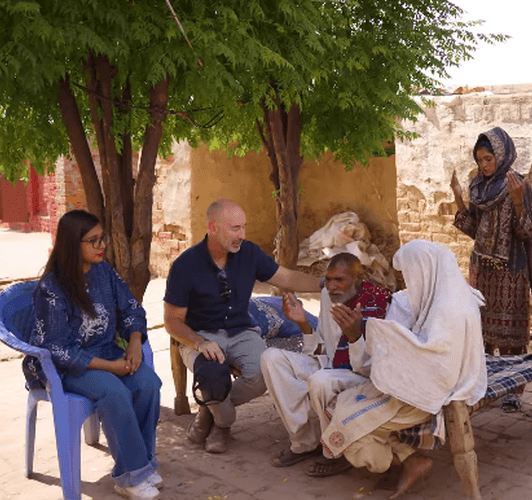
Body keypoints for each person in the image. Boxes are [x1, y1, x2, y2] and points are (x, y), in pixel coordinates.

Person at [320, 239, 487, 499]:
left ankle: (399, 462)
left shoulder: (450, 310)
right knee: (337, 405)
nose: (408, 283)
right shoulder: (444, 298)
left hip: (428, 394)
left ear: (425, 271)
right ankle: (409, 459)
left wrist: (371, 337)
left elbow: (437, 369)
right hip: (418, 386)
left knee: (346, 430)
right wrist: (369, 338)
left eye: (410, 274)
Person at [23, 210, 162, 500]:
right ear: (73, 245)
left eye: (103, 239)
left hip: (106, 351)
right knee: (114, 392)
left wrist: (135, 341)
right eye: (93, 241)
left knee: (149, 382)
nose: (102, 246)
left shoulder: (104, 271)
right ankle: (129, 477)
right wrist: (111, 366)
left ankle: (142, 464)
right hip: (68, 366)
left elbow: (131, 310)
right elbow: (59, 350)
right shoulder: (52, 288)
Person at [163, 198, 321, 453]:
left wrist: (325, 284)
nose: (242, 235)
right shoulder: (186, 266)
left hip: (242, 331)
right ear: (213, 228)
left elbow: (287, 277)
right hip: (199, 334)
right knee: (212, 374)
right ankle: (224, 424)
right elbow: (172, 322)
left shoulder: (248, 253)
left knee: (263, 372)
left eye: (243, 227)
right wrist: (200, 343)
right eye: (235, 228)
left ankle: (209, 410)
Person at [261, 252, 392, 476]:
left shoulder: (377, 301)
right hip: (330, 367)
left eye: (339, 280)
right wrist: (303, 323)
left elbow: (371, 368)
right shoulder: (326, 294)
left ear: (357, 280)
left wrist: (354, 337)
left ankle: (336, 452)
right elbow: (321, 349)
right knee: (271, 358)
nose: (331, 286)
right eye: (328, 279)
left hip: (361, 376)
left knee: (322, 380)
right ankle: (304, 443)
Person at [450, 126, 532, 356]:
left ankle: (512, 388)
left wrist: (518, 201)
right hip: (482, 272)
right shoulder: (477, 187)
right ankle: (486, 385)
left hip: (510, 273)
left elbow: (526, 232)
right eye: (480, 160)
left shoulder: (517, 185)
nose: (484, 165)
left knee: (510, 342)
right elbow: (474, 230)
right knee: (481, 338)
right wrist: (459, 199)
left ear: (501, 156)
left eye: (488, 159)